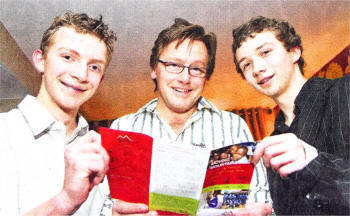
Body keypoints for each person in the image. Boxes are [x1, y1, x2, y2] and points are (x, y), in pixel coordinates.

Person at [108, 18, 272, 215]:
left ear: (206, 75)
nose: (185, 78)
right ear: (154, 69)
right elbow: (102, 205)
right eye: (173, 65)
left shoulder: (233, 126)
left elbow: (260, 199)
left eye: (196, 69)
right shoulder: (123, 128)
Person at [0, 11, 117, 215]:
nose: (81, 74)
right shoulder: (4, 132)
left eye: (94, 67)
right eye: (68, 57)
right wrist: (65, 201)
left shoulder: (100, 147)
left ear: (101, 79)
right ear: (41, 60)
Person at [232, 16, 350, 215]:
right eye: (246, 65)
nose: (257, 69)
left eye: (266, 52)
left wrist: (314, 162)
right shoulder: (270, 145)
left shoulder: (345, 91)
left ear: (294, 52)